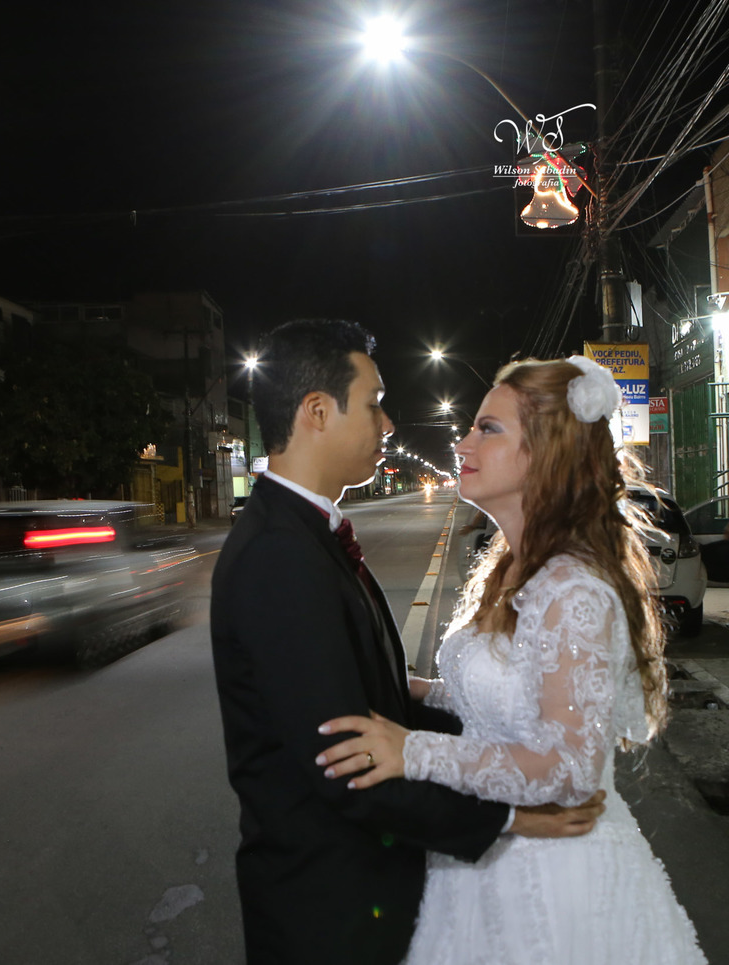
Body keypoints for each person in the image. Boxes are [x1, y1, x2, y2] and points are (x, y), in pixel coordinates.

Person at [209, 320, 605, 965]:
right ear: (316, 411)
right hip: (330, 913)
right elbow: (348, 761)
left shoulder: (303, 536)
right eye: (372, 404)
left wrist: (445, 714)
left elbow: (384, 718)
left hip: (370, 895)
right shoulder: (280, 556)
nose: (387, 424)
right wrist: (512, 820)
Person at [315, 355, 707, 964]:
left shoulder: (574, 589)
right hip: (482, 873)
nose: (464, 443)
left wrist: (411, 750)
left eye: (488, 429)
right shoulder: (514, 566)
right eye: (471, 427)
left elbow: (569, 769)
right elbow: (516, 699)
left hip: (557, 885)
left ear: (544, 454)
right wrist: (422, 691)